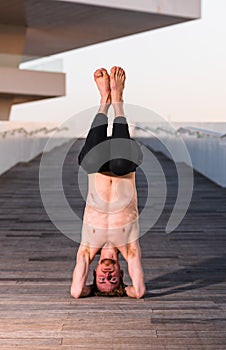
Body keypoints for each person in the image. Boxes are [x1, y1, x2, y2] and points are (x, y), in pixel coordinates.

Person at [70, 66, 145, 298]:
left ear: (93, 274)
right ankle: (119, 101)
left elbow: (75, 292)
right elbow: (139, 291)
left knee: (90, 161)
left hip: (97, 165)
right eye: (113, 281)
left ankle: (104, 99)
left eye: (102, 280)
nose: (107, 276)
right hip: (124, 167)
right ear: (123, 274)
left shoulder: (87, 249)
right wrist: (128, 291)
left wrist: (89, 290)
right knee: (121, 164)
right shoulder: (130, 249)